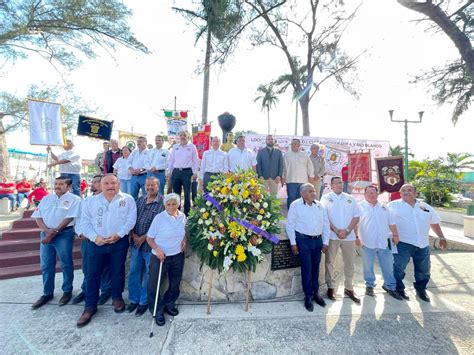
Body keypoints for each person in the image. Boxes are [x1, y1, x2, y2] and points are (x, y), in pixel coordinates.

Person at [76, 174, 137, 327]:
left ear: (119, 184)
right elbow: (85, 222)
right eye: (107, 183)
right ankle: (90, 307)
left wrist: (119, 235)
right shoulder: (90, 201)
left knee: (117, 271)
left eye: (113, 183)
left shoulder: (128, 200)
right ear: (100, 185)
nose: (110, 186)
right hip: (95, 243)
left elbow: (131, 220)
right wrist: (94, 237)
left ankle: (117, 298)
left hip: (118, 242)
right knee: (92, 275)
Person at [388, 183, 447, 302]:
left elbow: (434, 222)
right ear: (400, 193)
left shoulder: (425, 207)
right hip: (402, 243)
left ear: (416, 193)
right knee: (398, 268)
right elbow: (385, 222)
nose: (406, 192)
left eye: (409, 190)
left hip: (422, 244)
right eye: (403, 190)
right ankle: (399, 289)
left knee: (423, 270)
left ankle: (421, 290)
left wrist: (441, 237)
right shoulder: (392, 206)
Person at [31, 176, 81, 309]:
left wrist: (54, 232)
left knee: (66, 263)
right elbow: (38, 216)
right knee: (46, 264)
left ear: (69, 186)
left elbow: (69, 217)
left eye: (61, 184)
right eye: (56, 183)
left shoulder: (75, 199)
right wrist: (47, 231)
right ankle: (47, 293)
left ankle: (67, 291)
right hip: (46, 233)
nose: (57, 186)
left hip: (64, 234)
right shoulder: (47, 198)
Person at [286, 183, 330, 312]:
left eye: (314, 191)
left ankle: (316, 293)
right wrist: (293, 243)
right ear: (303, 193)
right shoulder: (295, 205)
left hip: (317, 241)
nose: (314, 193)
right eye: (310, 191)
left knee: (316, 268)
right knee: (307, 268)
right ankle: (308, 296)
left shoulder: (320, 205)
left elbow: (326, 224)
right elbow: (290, 225)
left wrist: (325, 241)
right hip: (303, 240)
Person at [146, 193, 187, 326]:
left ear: (178, 204)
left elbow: (183, 233)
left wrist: (184, 240)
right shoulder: (159, 218)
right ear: (165, 205)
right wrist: (158, 250)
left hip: (177, 255)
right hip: (160, 257)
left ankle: (169, 304)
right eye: (168, 204)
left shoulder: (182, 216)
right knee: (154, 285)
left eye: (174, 204)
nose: (171, 206)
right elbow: (149, 238)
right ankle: (157, 310)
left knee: (175, 283)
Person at [72, 175, 112, 306]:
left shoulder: (112, 200)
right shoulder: (87, 201)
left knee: (105, 267)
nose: (95, 184)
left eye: (98, 182)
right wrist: (80, 232)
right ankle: (86, 289)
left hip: (105, 239)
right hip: (89, 239)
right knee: (87, 267)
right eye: (93, 182)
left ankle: (105, 290)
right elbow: (80, 219)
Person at [127, 177, 164, 316]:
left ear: (158, 186)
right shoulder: (139, 200)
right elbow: (131, 219)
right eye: (147, 185)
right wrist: (133, 235)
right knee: (134, 272)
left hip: (150, 246)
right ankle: (133, 300)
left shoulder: (162, 202)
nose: (149, 187)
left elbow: (160, 225)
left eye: (152, 185)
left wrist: (143, 238)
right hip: (136, 244)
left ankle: (143, 302)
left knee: (148, 274)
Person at [357, 185, 402, 300]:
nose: (371, 195)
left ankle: (390, 286)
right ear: (365, 194)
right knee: (368, 267)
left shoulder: (384, 207)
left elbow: (391, 223)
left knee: (388, 266)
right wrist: (357, 238)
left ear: (378, 194)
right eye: (369, 193)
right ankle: (370, 286)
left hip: (383, 243)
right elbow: (355, 224)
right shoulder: (359, 207)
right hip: (367, 243)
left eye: (374, 193)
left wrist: (395, 235)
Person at [321, 176, 361, 303]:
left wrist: (348, 231)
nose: (339, 185)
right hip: (333, 236)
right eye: (336, 183)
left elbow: (356, 217)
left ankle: (349, 287)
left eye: (340, 183)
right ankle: (331, 287)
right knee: (329, 263)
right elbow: (324, 217)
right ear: (331, 185)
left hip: (348, 237)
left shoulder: (350, 198)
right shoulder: (326, 198)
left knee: (349, 263)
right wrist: (337, 231)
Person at [167, 131, 199, 215]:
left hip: (187, 172)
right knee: (176, 194)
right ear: (179, 137)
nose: (182, 137)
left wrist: (195, 172)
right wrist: (169, 172)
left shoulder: (192, 147)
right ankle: (176, 212)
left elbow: (196, 160)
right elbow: (171, 160)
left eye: (184, 135)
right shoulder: (175, 147)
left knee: (187, 194)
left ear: (187, 136)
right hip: (176, 172)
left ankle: (187, 213)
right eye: (181, 135)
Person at [282, 138, 314, 210]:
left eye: (295, 144)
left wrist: (311, 176)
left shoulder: (305, 154)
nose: (293, 145)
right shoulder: (286, 155)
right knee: (291, 197)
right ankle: (291, 213)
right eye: (292, 144)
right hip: (291, 180)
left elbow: (310, 166)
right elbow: (284, 168)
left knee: (302, 198)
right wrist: (283, 177)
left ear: (299, 145)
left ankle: (301, 213)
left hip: (303, 181)